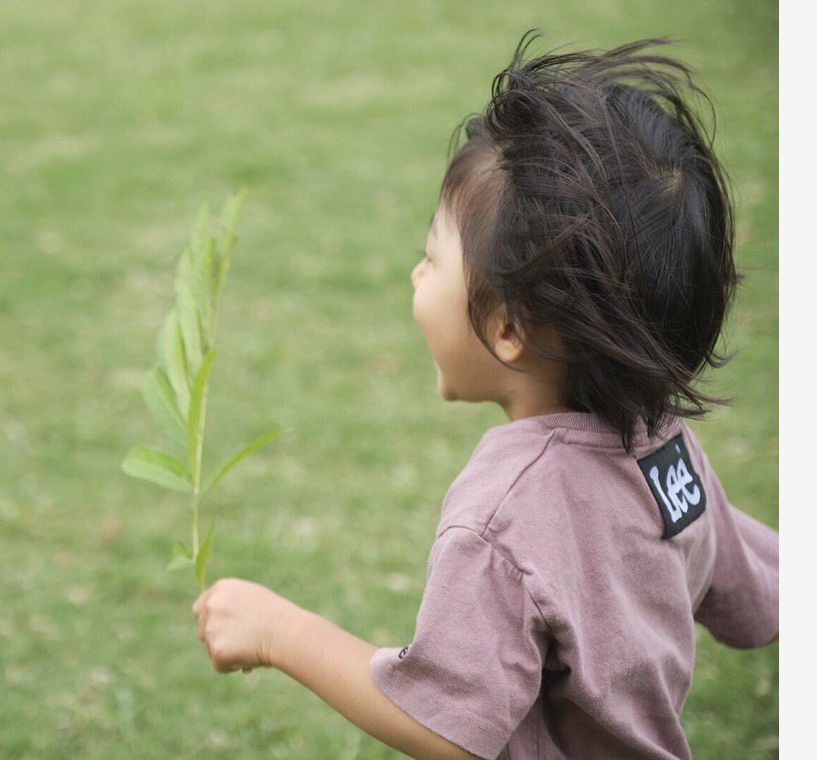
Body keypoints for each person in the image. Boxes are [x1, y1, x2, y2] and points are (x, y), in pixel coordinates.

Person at [190, 33, 779, 760]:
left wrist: (279, 631)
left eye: (431, 257)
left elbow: (449, 727)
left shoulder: (504, 517)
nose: (414, 276)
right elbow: (751, 583)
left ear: (507, 328)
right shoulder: (663, 445)